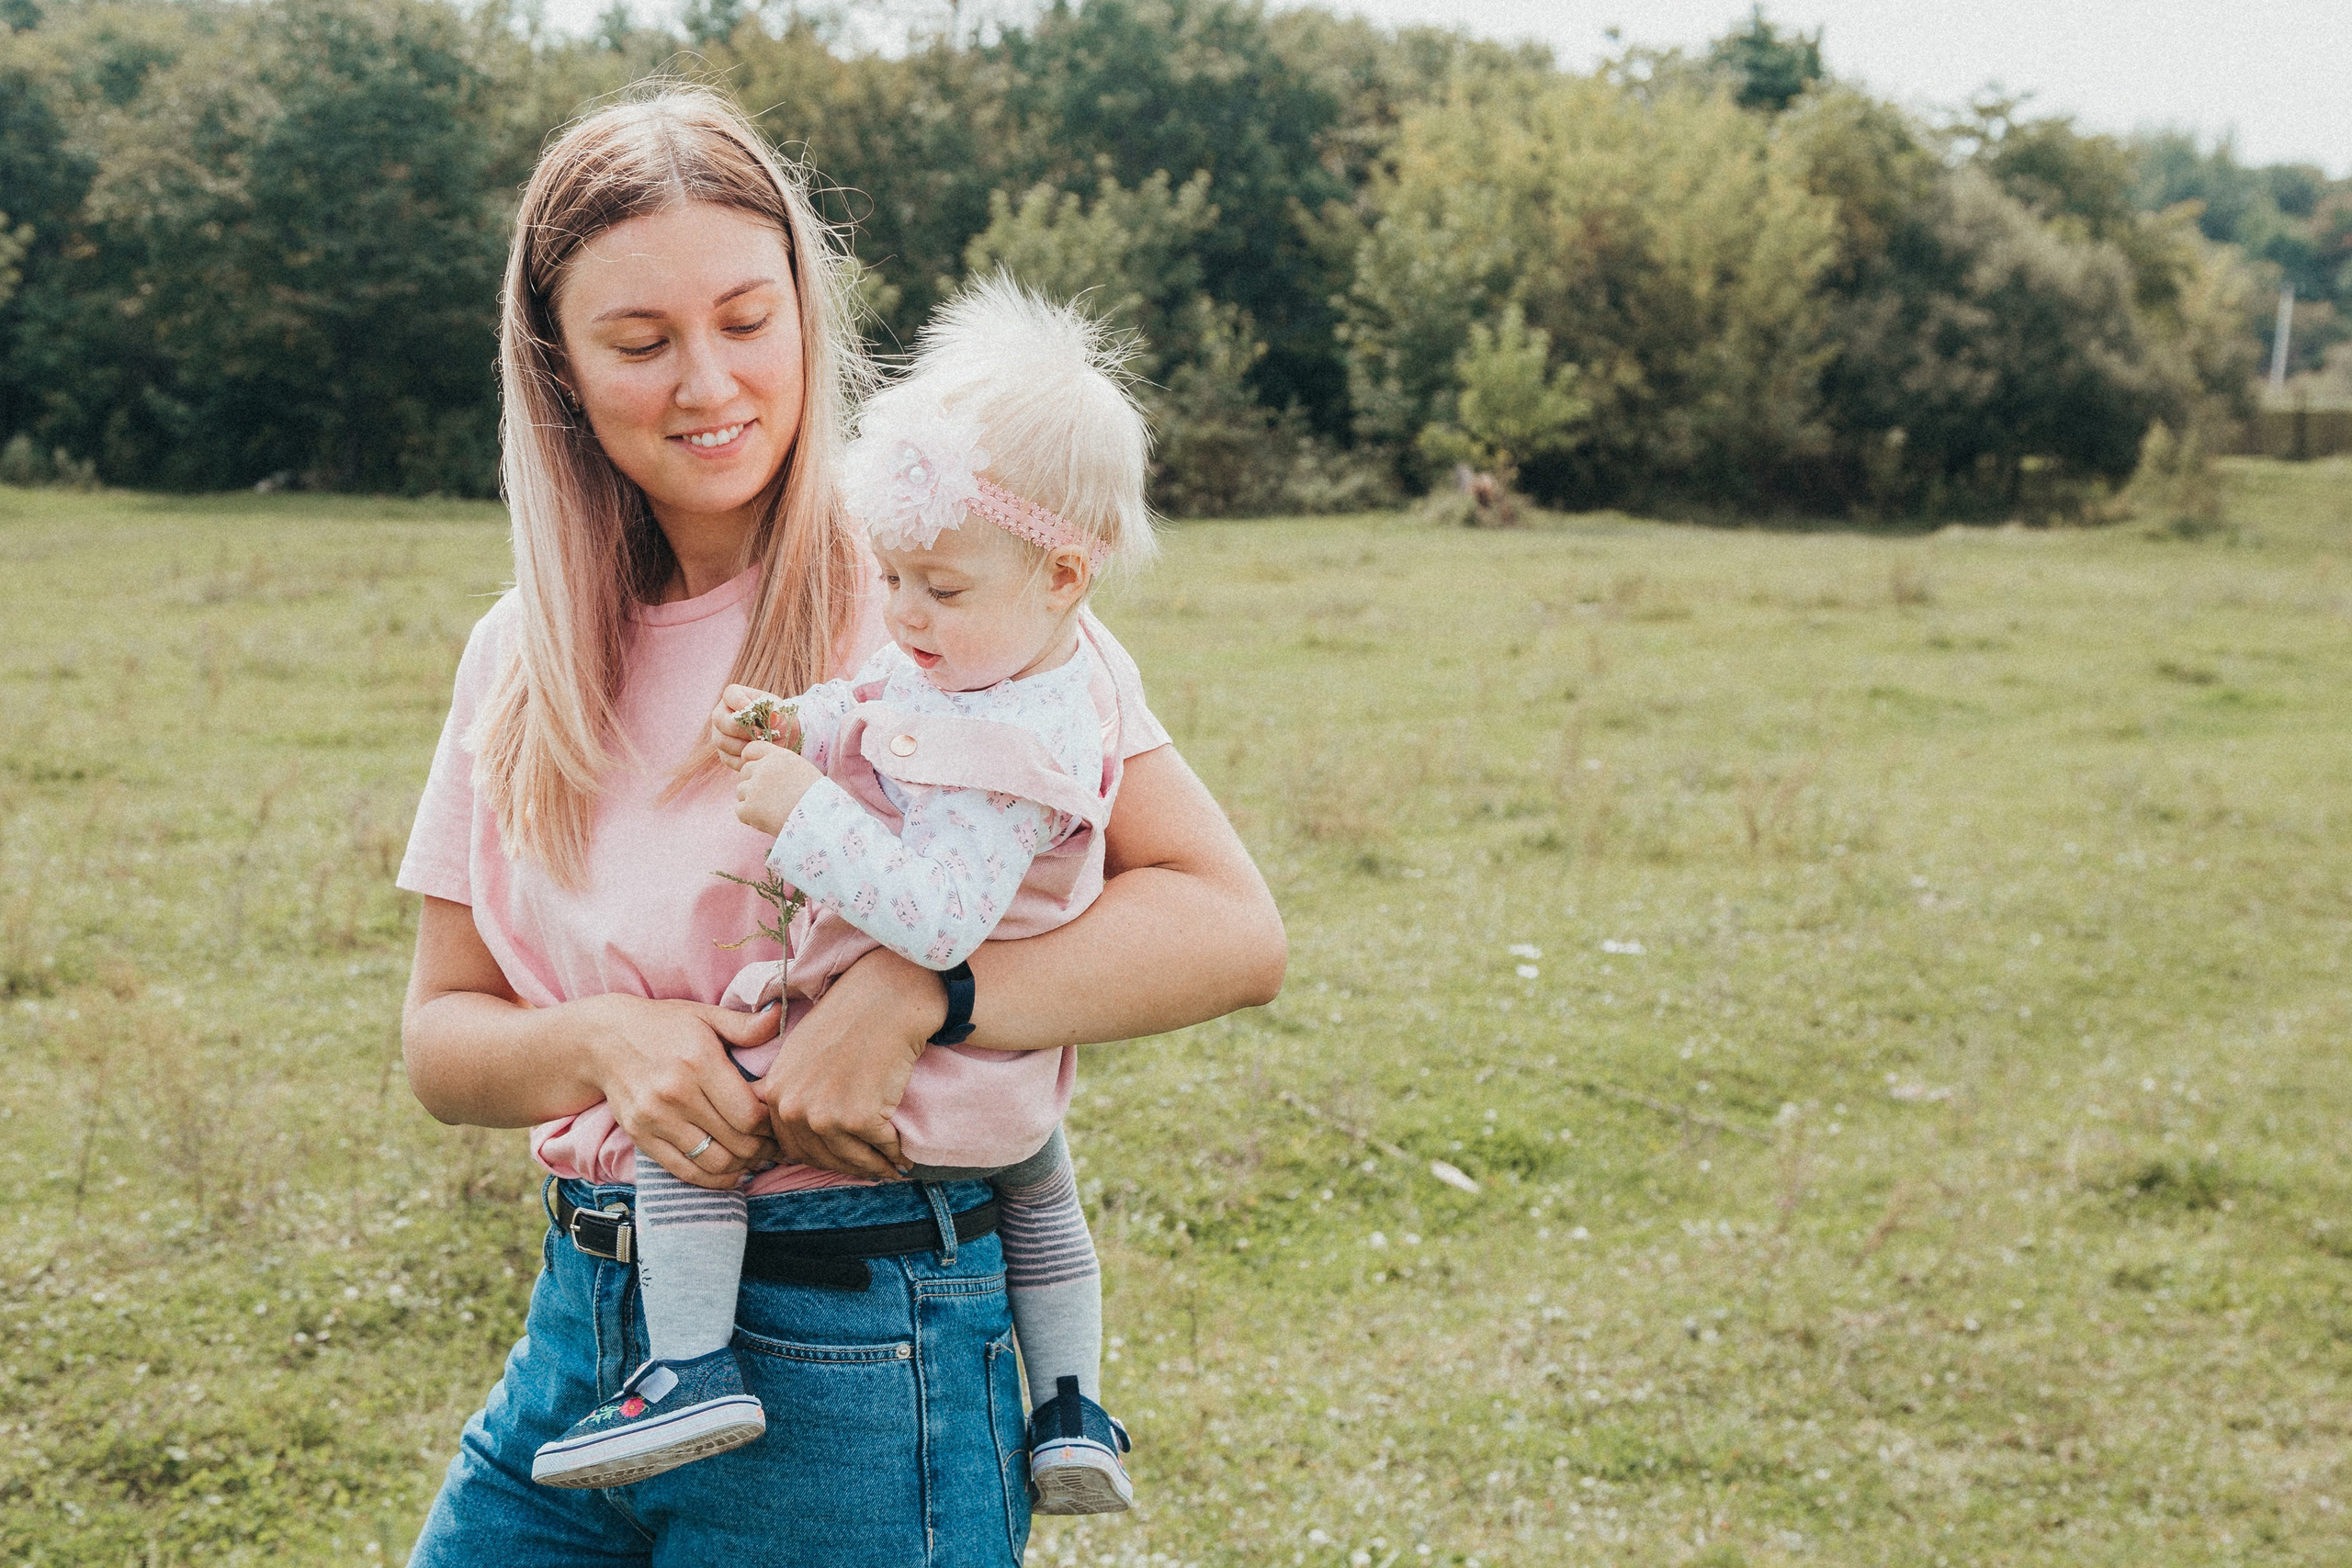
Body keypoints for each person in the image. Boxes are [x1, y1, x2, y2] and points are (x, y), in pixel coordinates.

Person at [395, 89, 1283, 1566]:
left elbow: (1228, 929)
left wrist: (926, 993)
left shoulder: (949, 600)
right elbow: (443, 1037)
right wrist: (609, 1041)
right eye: (640, 341)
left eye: (748, 320)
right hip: (589, 1335)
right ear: (556, 366)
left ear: (809, 314)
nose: (708, 383)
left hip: (863, 1342)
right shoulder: (521, 657)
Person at [529, 277, 1156, 1517]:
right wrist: (796, 721)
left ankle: (691, 1365)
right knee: (1044, 1194)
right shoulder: (999, 669)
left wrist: (801, 810)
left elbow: (937, 922)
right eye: (894, 577)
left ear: (1065, 575)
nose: (904, 614)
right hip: (1004, 1096)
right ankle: (1071, 1404)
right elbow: (876, 704)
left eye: (938, 590)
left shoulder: (1007, 750)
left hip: (905, 1093)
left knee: (689, 1122)